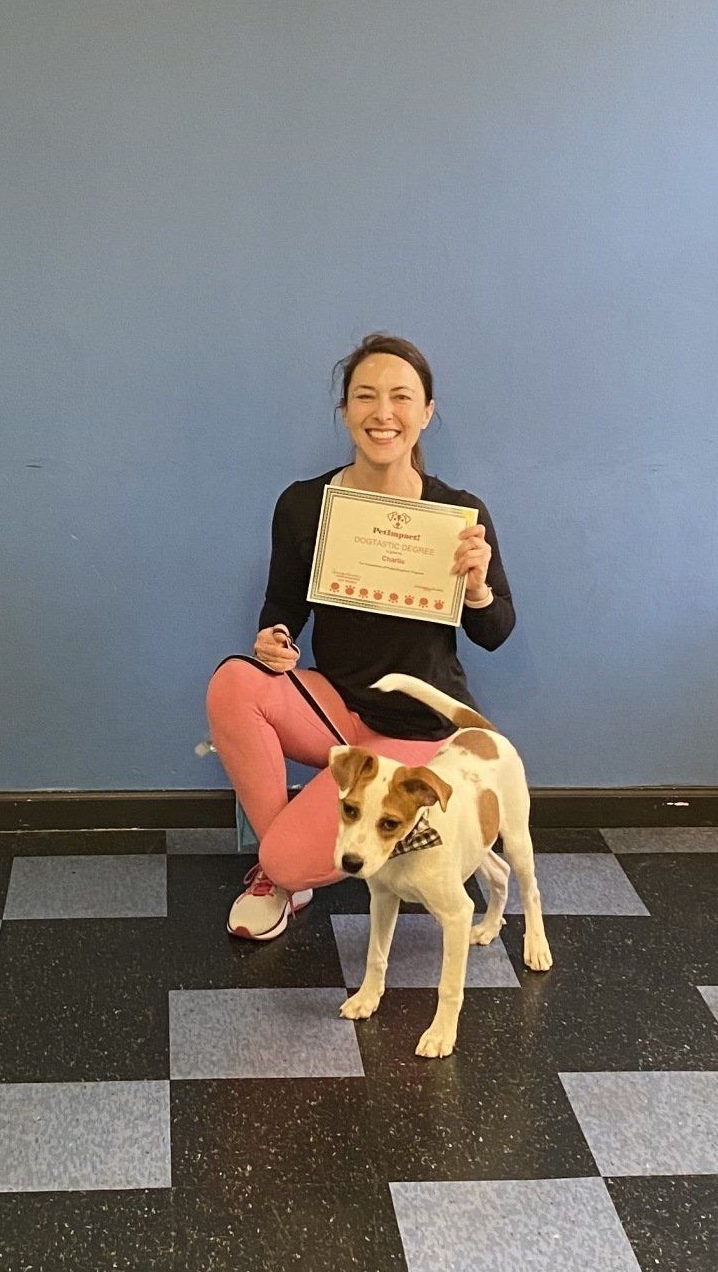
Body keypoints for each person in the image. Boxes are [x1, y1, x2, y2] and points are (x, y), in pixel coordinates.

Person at [206, 332, 516, 942]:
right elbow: (283, 607)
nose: (383, 413)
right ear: (345, 411)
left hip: (416, 730)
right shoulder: (304, 504)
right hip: (336, 713)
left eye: (402, 397)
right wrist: (275, 639)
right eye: (365, 397)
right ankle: (281, 873)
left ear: (426, 413)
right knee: (234, 682)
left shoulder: (458, 513)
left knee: (292, 855)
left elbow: (496, 631)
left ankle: (291, 863)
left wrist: (476, 590)